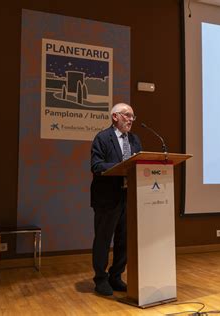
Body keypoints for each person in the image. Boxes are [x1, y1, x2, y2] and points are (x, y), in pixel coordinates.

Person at [90, 102, 142, 296]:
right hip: (107, 199)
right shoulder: (102, 138)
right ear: (115, 117)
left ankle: (116, 276)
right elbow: (96, 166)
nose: (131, 120)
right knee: (103, 240)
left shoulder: (135, 140)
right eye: (127, 115)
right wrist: (121, 166)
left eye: (132, 117)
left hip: (129, 198)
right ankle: (100, 278)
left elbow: (138, 163)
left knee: (124, 241)